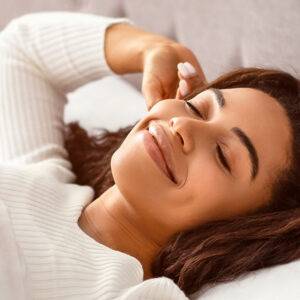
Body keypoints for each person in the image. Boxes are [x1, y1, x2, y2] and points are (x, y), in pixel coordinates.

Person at [0, 11, 299, 299]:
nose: (182, 124)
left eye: (222, 154)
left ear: (244, 229)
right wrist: (154, 49)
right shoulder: (39, 175)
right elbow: (21, 49)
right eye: (198, 108)